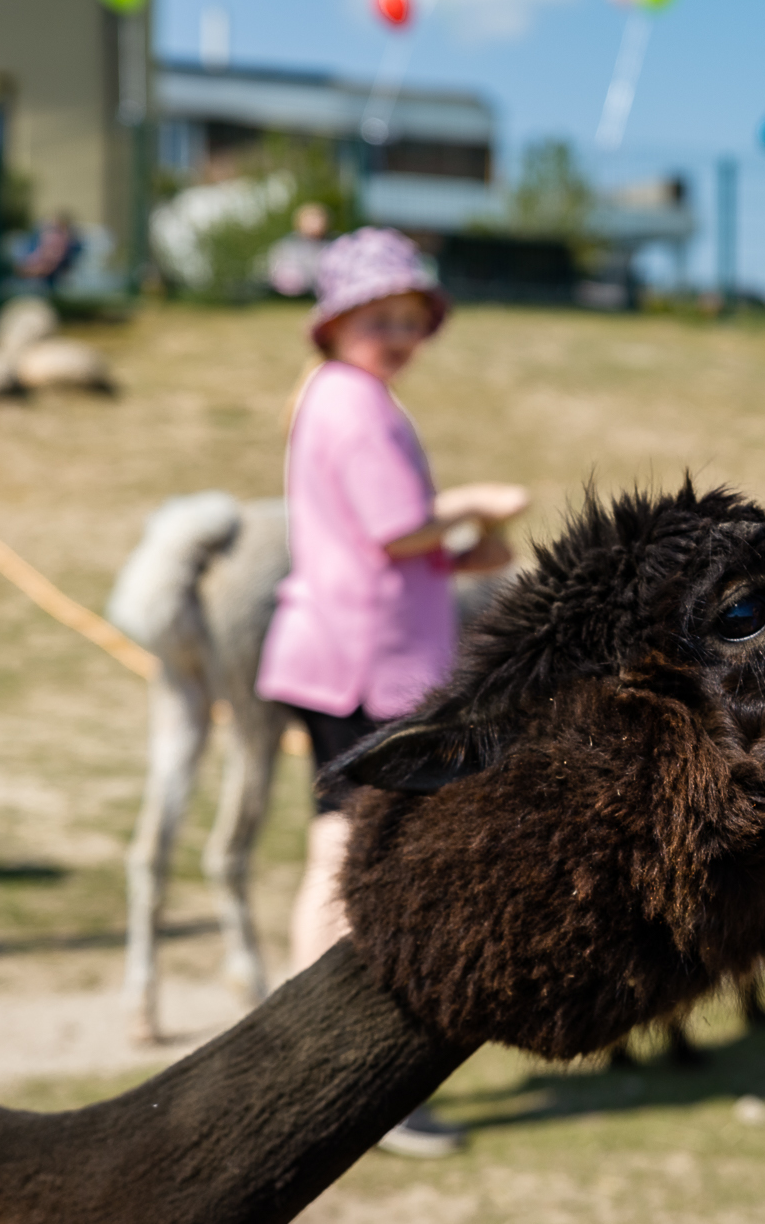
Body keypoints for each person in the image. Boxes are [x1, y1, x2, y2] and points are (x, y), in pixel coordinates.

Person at [255, 226, 527, 1158]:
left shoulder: (339, 396)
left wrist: (458, 550)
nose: (401, 335)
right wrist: (474, 506)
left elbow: (386, 541)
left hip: (354, 650)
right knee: (349, 851)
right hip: (361, 661)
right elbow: (395, 526)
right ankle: (329, 1070)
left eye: (410, 319)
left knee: (344, 844)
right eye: (383, 318)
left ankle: (316, 1061)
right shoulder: (351, 400)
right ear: (338, 323)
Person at [268, 201, 332, 298]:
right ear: (300, 222)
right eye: (312, 219)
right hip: (295, 296)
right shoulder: (286, 246)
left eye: (320, 218)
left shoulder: (335, 244)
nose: (317, 223)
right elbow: (279, 276)